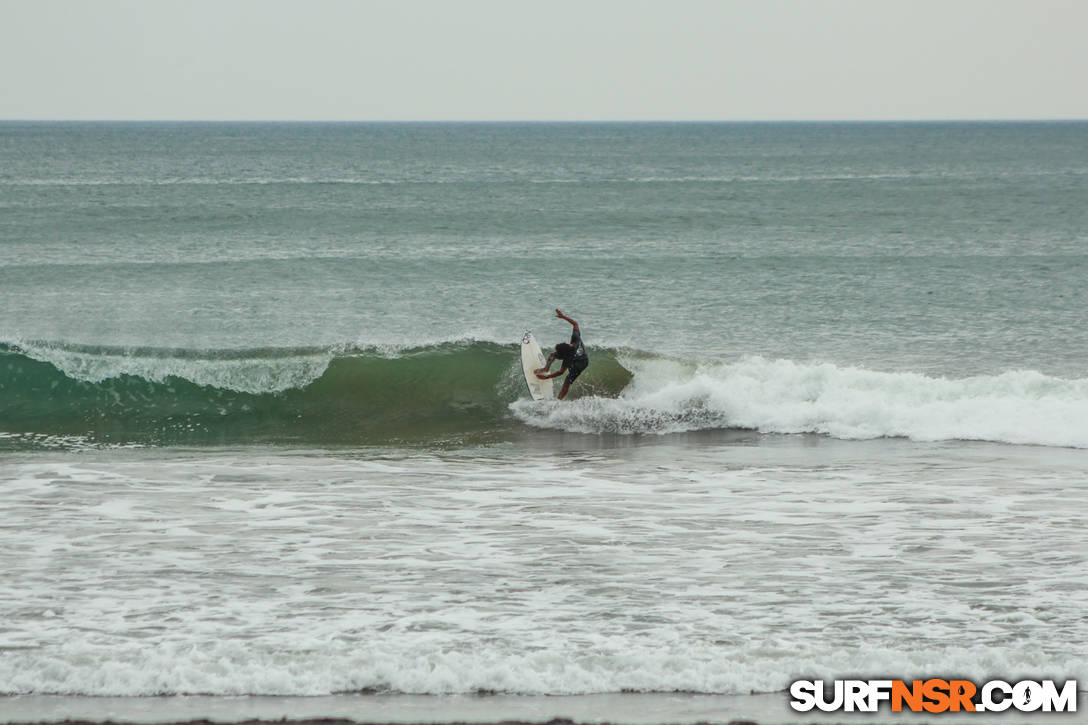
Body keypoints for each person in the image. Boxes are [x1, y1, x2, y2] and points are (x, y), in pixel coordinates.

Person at [534, 308, 589, 400]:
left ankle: (558, 400)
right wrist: (563, 316)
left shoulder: (568, 358)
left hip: (581, 363)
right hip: (574, 355)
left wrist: (546, 377)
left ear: (564, 354)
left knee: (567, 381)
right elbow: (575, 324)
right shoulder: (575, 338)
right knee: (552, 355)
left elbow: (561, 372)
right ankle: (546, 368)